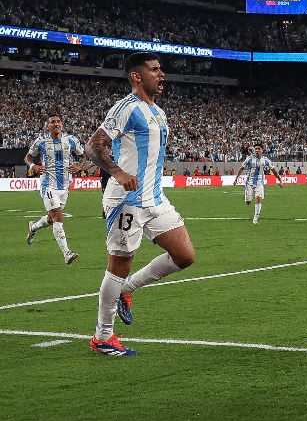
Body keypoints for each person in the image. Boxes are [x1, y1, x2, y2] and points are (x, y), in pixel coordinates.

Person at [84, 52, 197, 356]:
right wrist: (118, 172)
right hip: (127, 201)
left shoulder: (157, 111)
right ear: (136, 76)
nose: (162, 75)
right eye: (154, 70)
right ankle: (103, 336)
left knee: (184, 255)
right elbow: (93, 146)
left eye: (161, 70)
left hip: (155, 198)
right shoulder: (126, 108)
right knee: (120, 265)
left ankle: (126, 291)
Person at [24, 115, 88, 264]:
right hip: (48, 185)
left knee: (51, 218)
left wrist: (79, 166)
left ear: (62, 124)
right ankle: (67, 253)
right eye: (52, 122)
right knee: (58, 216)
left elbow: (83, 156)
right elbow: (28, 157)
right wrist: (33, 166)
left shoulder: (71, 140)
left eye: (58, 121)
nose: (56, 124)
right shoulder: (41, 142)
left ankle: (33, 227)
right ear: (48, 126)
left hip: (65, 186)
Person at [233, 143, 284, 225]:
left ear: (262, 150)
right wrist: (236, 179)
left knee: (258, 198)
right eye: (255, 149)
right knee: (248, 202)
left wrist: (280, 180)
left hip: (260, 182)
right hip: (249, 183)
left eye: (258, 149)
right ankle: (248, 197)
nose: (257, 150)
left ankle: (255, 219)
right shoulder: (249, 159)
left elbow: (274, 171)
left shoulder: (266, 160)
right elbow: (241, 168)